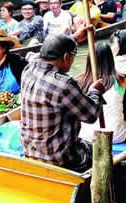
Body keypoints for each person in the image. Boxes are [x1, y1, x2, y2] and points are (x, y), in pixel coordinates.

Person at [20, 34, 105, 172]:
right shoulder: (63, 84)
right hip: (59, 159)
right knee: (99, 153)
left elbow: (37, 54)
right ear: (66, 57)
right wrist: (95, 92)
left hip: (30, 151)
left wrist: (76, 36)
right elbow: (90, 115)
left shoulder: (29, 68)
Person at [78, 42, 126, 143]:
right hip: (116, 136)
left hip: (86, 136)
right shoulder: (123, 80)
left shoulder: (78, 81)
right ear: (111, 59)